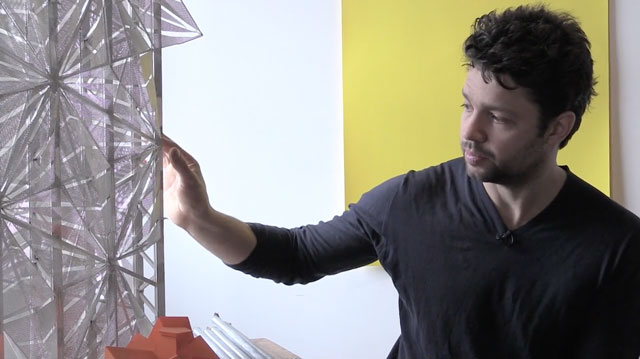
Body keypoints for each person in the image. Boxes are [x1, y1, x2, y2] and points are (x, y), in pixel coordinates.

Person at [162, 4, 640, 359]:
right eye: (467, 105)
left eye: (498, 117)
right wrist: (197, 218)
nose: (469, 131)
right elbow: (296, 256)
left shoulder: (616, 245)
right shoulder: (409, 201)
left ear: (558, 127)